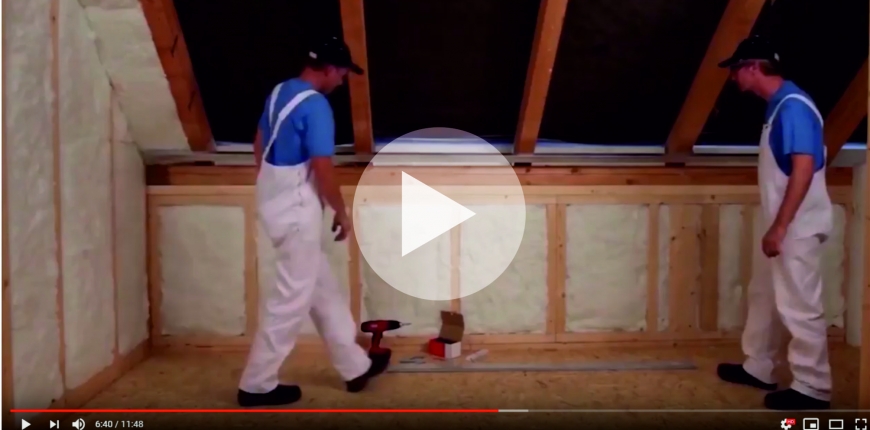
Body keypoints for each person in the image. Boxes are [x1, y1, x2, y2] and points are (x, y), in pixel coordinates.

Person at [237, 36, 390, 408]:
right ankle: (256, 385)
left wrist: (274, 186)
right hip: (295, 216)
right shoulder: (317, 106)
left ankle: (355, 367)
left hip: (275, 206)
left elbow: (259, 142)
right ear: (331, 68)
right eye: (343, 73)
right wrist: (340, 211)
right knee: (289, 301)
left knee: (322, 290)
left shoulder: (280, 91)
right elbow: (323, 168)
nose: (342, 81)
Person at [714, 35, 833, 411]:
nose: (733, 77)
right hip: (782, 224)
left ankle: (813, 386)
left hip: (796, 226)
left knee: (800, 304)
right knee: (764, 295)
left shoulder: (793, 108)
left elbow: (803, 169)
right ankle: (759, 366)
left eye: (736, 69)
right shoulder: (779, 106)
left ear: (753, 67)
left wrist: (780, 227)